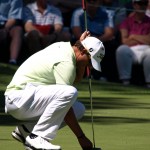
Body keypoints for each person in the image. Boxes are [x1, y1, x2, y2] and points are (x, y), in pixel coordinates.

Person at [4, 31, 105, 150]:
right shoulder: (66, 62)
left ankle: (27, 130)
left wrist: (82, 46)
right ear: (83, 51)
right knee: (70, 93)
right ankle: (37, 137)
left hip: (25, 99)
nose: (90, 67)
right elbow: (67, 100)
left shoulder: (64, 47)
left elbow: (75, 79)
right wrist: (81, 137)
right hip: (19, 99)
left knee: (79, 109)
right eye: (90, 62)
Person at [71, 0, 114, 81]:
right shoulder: (78, 13)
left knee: (110, 44)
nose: (92, 3)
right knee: (75, 44)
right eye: (89, 1)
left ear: (99, 2)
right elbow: (76, 32)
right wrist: (88, 41)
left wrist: (95, 42)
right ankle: (80, 74)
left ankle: (102, 75)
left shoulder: (107, 13)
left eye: (94, 1)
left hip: (100, 40)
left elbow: (109, 33)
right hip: (83, 40)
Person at [116, 0, 150, 87]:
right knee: (121, 49)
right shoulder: (126, 21)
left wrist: (133, 36)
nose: (142, 6)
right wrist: (143, 38)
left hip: (147, 49)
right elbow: (125, 41)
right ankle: (125, 82)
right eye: (139, 3)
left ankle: (149, 83)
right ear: (134, 5)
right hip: (131, 50)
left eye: (144, 3)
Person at [0, 0, 23, 65]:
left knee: (18, 30)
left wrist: (5, 29)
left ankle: (13, 60)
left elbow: (13, 18)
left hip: (7, 24)